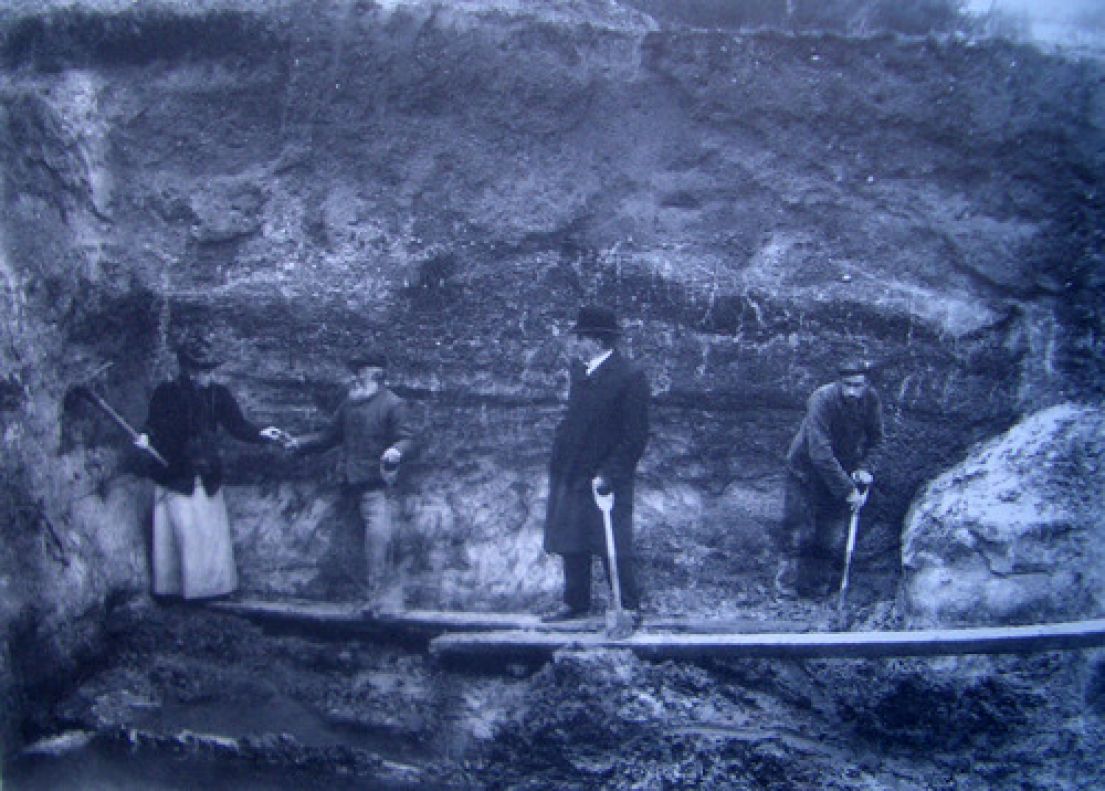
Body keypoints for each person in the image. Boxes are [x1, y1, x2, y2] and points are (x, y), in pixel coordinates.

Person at [136, 334, 290, 600]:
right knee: (181, 531)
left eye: (209, 369)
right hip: (174, 471)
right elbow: (153, 425)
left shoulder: (219, 395)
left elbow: (238, 425)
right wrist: (146, 437)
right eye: (201, 369)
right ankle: (174, 590)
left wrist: (262, 432)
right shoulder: (166, 393)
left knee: (207, 533)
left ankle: (211, 590)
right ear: (187, 369)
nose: (207, 375)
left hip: (206, 472)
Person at [542, 305, 650, 623]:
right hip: (574, 473)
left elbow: (635, 436)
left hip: (606, 477)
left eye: (580, 338)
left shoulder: (630, 376)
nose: (576, 344)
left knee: (613, 542)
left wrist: (610, 474)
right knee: (572, 540)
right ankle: (575, 602)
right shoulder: (581, 373)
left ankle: (627, 606)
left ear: (597, 341)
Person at [287, 351, 418, 613]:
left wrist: (397, 451)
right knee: (343, 543)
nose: (355, 378)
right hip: (347, 485)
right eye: (355, 372)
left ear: (377, 375)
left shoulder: (393, 405)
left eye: (361, 372)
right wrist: (298, 443)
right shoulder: (349, 404)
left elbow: (409, 439)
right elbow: (328, 436)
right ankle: (356, 599)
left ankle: (380, 601)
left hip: (375, 487)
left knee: (378, 542)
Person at [777, 357, 884, 599]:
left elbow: (877, 440)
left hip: (839, 474)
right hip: (805, 471)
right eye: (846, 384)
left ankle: (817, 591)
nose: (851, 392)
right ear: (838, 382)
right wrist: (848, 490)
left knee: (831, 533)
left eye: (858, 386)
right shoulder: (822, 399)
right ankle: (786, 590)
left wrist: (866, 468)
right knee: (797, 527)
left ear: (867, 385)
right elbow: (820, 453)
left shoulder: (871, 400)